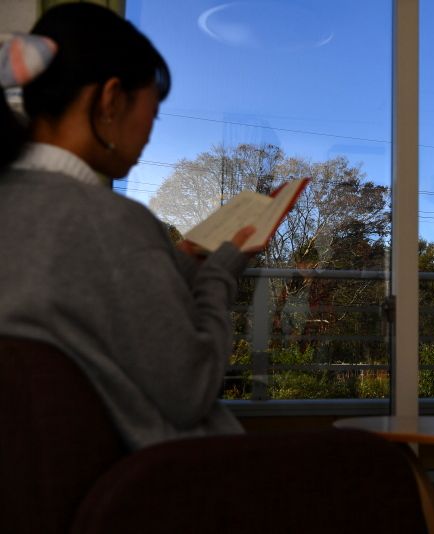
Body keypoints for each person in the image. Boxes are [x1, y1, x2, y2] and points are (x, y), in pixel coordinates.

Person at [0, 3, 259, 450]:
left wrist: (173, 266)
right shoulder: (110, 221)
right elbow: (191, 390)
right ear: (110, 99)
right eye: (152, 114)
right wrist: (219, 275)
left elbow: (81, 303)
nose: (150, 133)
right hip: (160, 488)